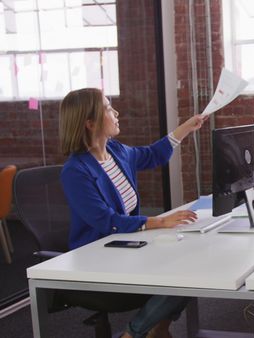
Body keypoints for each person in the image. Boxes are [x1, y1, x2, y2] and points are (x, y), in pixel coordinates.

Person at [59, 88, 207, 338]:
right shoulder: (75, 171)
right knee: (183, 272)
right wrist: (159, 221)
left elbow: (152, 154)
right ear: (89, 122)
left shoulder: (116, 152)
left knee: (194, 262)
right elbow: (107, 221)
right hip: (97, 258)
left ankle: (158, 328)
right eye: (107, 108)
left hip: (124, 248)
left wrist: (186, 127)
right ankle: (134, 333)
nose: (115, 112)